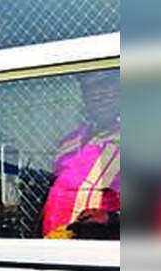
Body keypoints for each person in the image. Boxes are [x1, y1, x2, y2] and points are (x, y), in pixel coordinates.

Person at [41, 70, 120, 239]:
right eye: (88, 88)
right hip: (55, 250)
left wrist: (113, 219)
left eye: (105, 84)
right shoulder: (68, 142)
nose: (97, 95)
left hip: (99, 255)